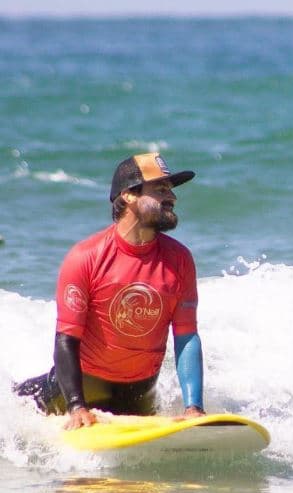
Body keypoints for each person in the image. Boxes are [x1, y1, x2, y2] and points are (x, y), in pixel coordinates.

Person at [15, 152, 206, 430]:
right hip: (79, 390)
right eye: (161, 189)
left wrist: (194, 407)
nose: (172, 197)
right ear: (129, 195)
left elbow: (186, 337)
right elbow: (66, 339)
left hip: (139, 394)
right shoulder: (86, 257)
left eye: (171, 190)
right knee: (11, 404)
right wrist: (76, 406)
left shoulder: (179, 260)